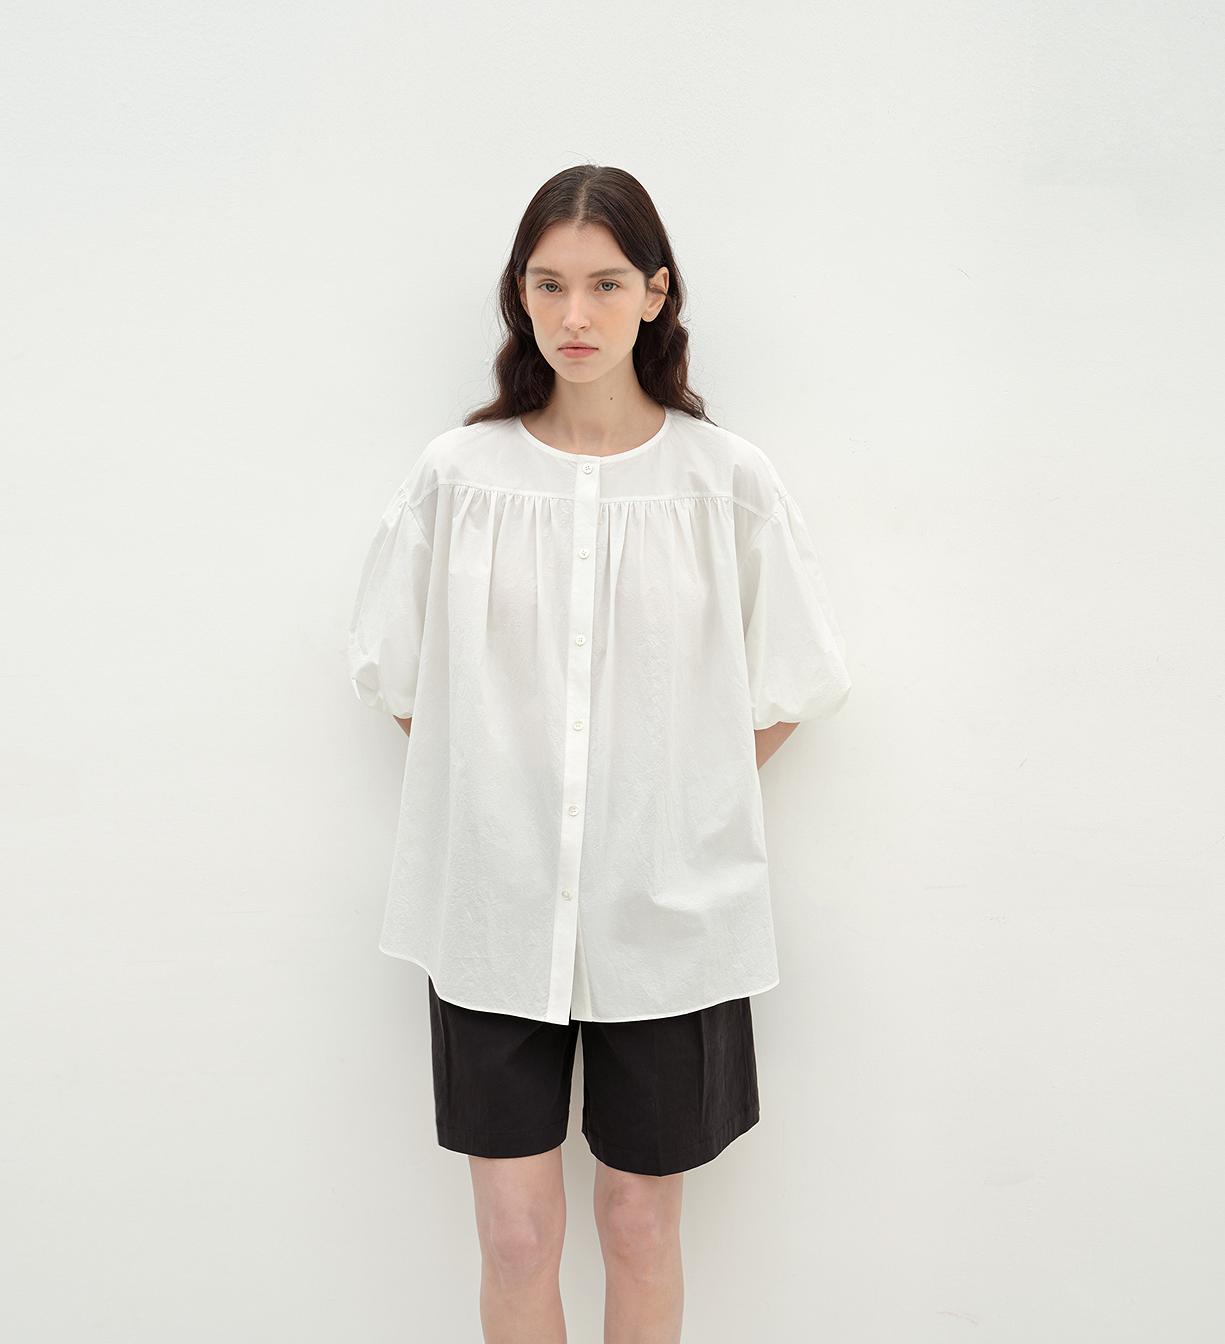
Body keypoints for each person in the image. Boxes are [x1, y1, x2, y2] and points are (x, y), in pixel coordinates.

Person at [346, 163, 852, 1344]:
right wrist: (504, 795)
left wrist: (668, 802)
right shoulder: (458, 477)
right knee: (517, 1236)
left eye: (605, 284)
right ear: (518, 296)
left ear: (655, 293)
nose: (574, 315)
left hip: (670, 916)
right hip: (492, 908)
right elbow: (395, 672)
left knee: (636, 1224)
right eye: (548, 285)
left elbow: (798, 677)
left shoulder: (723, 481)